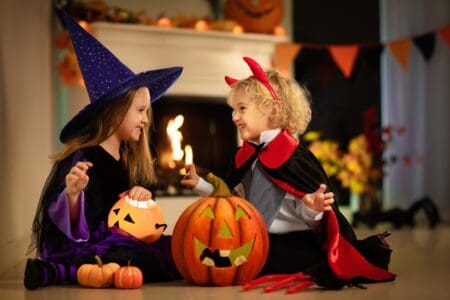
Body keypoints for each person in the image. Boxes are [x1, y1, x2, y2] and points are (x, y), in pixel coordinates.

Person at [181, 57, 395, 289]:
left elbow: (313, 221)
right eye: (234, 109)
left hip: (293, 243)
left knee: (287, 260)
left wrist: (311, 207)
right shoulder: (244, 156)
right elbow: (230, 202)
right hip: (255, 240)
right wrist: (199, 184)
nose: (234, 117)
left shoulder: (294, 158)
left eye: (241, 109)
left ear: (272, 110)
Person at [24, 11, 183, 290]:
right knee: (130, 258)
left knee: (175, 248)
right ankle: (58, 271)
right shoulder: (84, 157)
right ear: (115, 112)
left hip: (123, 240)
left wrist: (143, 196)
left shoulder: (128, 157)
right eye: (141, 111)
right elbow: (68, 228)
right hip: (93, 245)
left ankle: (69, 272)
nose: (146, 120)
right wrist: (73, 195)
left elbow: (140, 213)